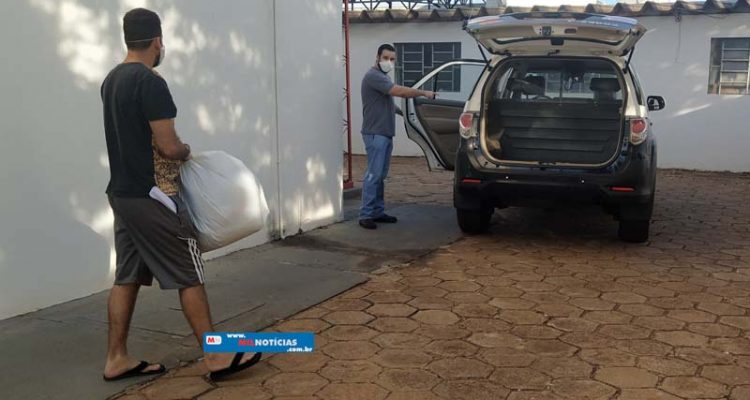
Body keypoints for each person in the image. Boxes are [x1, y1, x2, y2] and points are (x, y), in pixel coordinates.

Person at [100, 8, 260, 382]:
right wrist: (188, 151)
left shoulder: (112, 80)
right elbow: (169, 146)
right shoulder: (150, 82)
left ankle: (116, 358)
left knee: (126, 277)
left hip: (122, 194)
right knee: (189, 272)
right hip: (154, 196)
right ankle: (217, 357)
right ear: (157, 41)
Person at [359, 44, 436, 230]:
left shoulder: (382, 78)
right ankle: (366, 215)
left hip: (384, 133)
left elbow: (388, 105)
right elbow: (398, 92)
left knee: (380, 175)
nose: (389, 62)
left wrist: (406, 114)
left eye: (392, 59)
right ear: (377, 57)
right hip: (375, 133)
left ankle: (377, 212)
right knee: (373, 175)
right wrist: (423, 92)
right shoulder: (374, 76)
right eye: (386, 58)